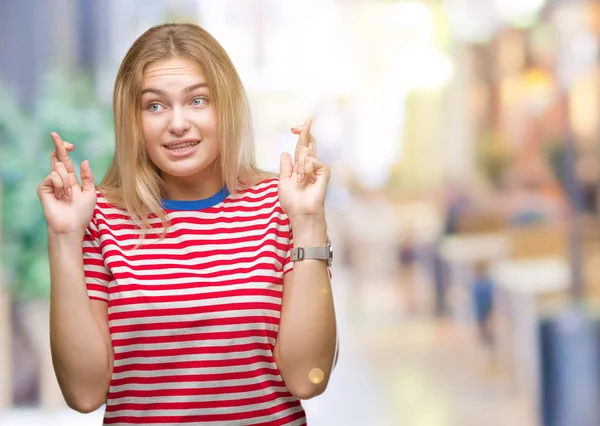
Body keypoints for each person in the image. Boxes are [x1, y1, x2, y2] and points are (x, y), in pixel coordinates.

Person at [37, 23, 337, 425]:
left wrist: (308, 220)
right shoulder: (101, 219)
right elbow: (84, 393)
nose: (177, 123)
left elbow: (308, 378)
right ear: (133, 119)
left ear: (225, 106)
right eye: (155, 106)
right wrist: (63, 236)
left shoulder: (281, 206)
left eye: (197, 100)